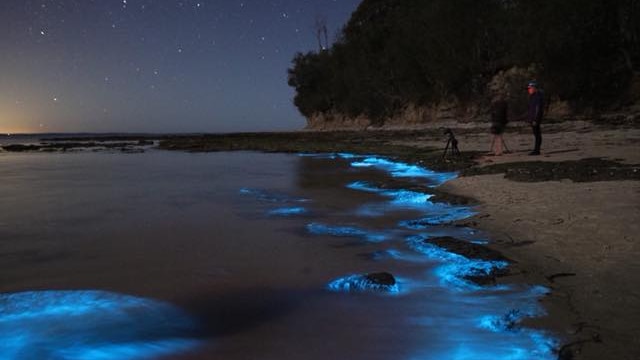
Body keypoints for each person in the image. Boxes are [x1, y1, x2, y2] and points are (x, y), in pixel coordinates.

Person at [526, 80, 544, 155]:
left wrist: (535, 119)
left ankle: (537, 150)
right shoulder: (532, 97)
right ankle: (536, 149)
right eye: (528, 88)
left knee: (537, 134)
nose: (529, 90)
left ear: (534, 88)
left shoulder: (538, 96)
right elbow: (531, 109)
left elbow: (538, 109)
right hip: (533, 118)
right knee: (536, 134)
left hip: (536, 119)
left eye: (530, 88)